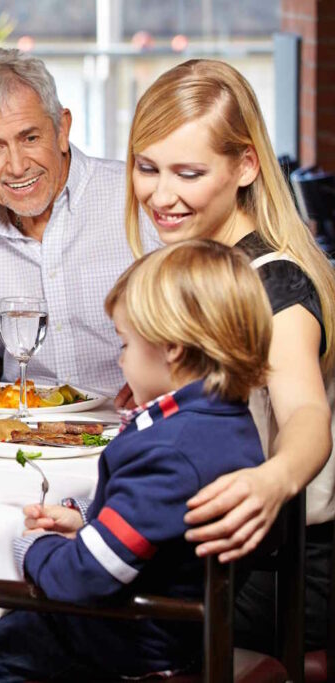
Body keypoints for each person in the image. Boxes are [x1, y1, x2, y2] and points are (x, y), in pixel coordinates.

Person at [0, 240, 272, 681]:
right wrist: (86, 521)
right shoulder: (227, 424)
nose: (121, 360)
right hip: (173, 632)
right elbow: (162, 526)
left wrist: (30, 547)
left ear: (172, 348)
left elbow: (84, 576)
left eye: (126, 344)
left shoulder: (168, 451)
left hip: (120, 648)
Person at [124, 58, 335, 654]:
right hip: (227, 555)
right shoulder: (201, 270)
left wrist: (276, 478)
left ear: (245, 166)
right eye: (146, 168)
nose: (160, 195)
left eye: (188, 173)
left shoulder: (276, 286)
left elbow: (306, 416)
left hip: (284, 576)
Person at [0, 48, 159, 397]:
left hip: (133, 425)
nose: (17, 166)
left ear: (62, 128)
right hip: (19, 433)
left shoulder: (139, 199)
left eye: (30, 138)